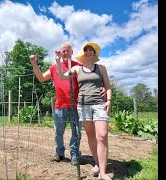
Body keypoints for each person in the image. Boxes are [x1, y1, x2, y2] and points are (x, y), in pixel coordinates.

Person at [55, 42, 113, 180]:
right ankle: (98, 164)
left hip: (100, 104)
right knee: (91, 136)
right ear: (83, 53)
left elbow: (108, 86)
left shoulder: (101, 68)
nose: (88, 52)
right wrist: (57, 62)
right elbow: (62, 76)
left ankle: (103, 173)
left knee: (102, 135)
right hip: (83, 105)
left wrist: (109, 100)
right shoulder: (77, 69)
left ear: (94, 53)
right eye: (86, 50)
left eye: (91, 50)